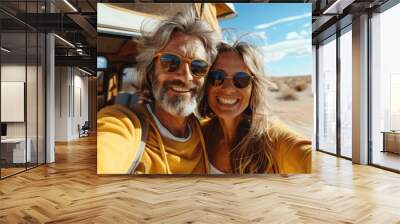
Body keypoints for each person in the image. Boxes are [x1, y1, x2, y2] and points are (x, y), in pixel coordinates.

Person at [97, 10, 218, 174]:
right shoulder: (123, 125)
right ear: (150, 70)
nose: (186, 77)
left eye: (198, 67)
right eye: (170, 62)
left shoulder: (209, 132)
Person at [199, 41, 312, 174]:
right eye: (217, 77)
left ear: (254, 87)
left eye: (241, 79)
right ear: (206, 84)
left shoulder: (274, 140)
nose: (228, 89)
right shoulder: (199, 134)